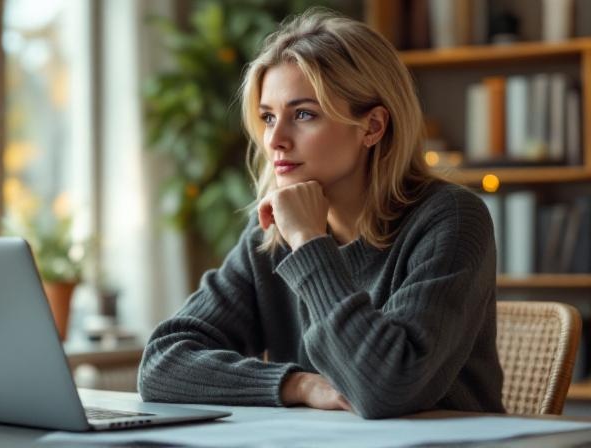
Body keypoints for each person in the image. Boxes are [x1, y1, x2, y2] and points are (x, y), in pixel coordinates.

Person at [137, 8, 505, 419]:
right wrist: (298, 385)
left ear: (373, 127)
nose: (275, 139)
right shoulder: (272, 234)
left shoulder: (450, 220)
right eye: (268, 117)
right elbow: (161, 365)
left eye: (304, 114)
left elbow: (386, 388)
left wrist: (310, 243)